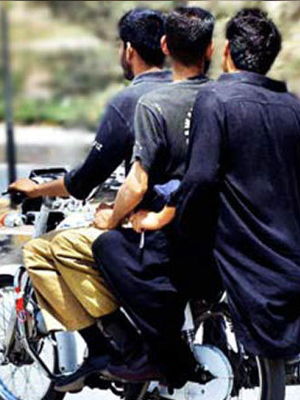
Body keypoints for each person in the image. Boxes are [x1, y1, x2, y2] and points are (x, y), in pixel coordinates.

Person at [134, 8, 300, 360]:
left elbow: (201, 179)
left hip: (230, 252)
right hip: (289, 253)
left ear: (226, 53)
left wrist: (175, 226)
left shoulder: (216, 101)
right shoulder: (294, 108)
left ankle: (153, 359)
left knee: (127, 257)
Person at [6, 8, 172, 392]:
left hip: (146, 228)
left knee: (43, 252)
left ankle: (108, 348)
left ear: (129, 49)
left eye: (120, 45)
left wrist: (36, 189)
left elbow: (83, 182)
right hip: (191, 219)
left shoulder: (128, 103)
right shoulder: (194, 90)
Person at [90, 6, 218, 387]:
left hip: (174, 237)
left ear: (165, 45)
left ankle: (159, 354)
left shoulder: (153, 104)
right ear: (210, 50)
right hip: (221, 228)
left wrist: (113, 217)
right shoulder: (222, 96)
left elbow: (137, 184)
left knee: (108, 246)